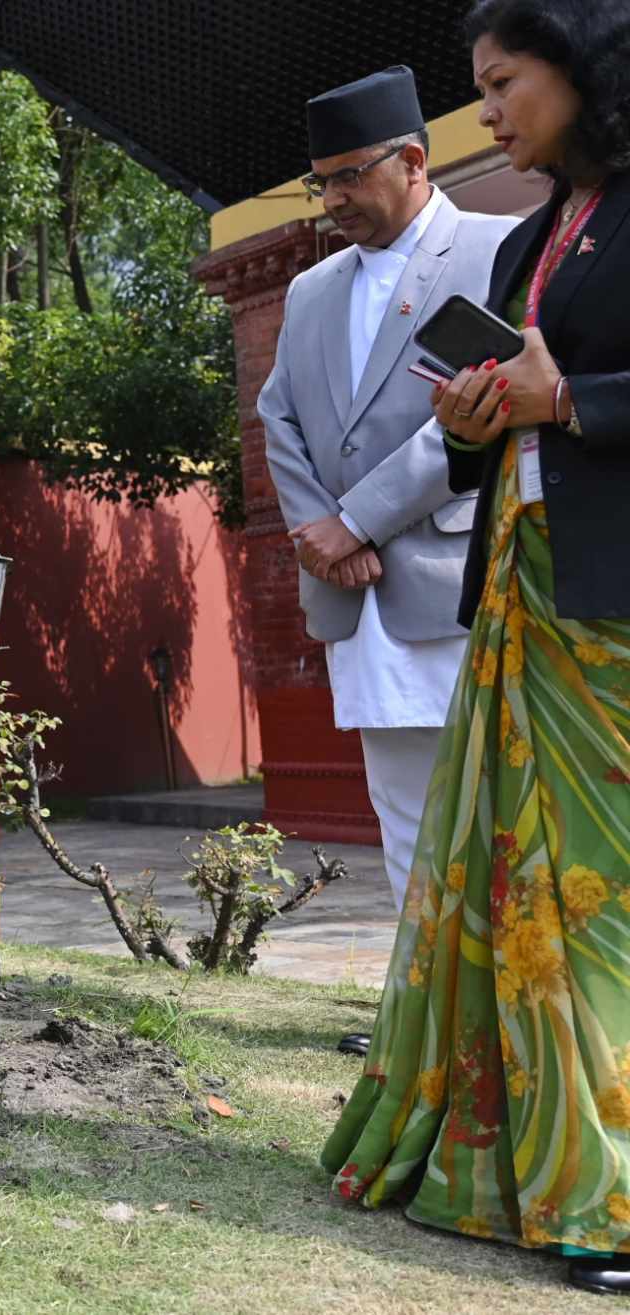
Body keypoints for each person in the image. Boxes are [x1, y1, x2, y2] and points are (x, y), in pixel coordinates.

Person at [322, 0, 630, 1295]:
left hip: (613, 616)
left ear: (583, 69)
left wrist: (575, 400)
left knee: (599, 905)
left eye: (504, 84)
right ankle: (543, 1171)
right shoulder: (530, 242)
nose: (488, 114)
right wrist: (472, 417)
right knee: (523, 894)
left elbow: (569, 401)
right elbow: (486, 436)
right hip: (522, 593)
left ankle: (612, 1197)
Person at [257, 67, 518, 1057]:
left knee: (492, 809)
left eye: (349, 176)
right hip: (352, 599)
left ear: (413, 160)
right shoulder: (309, 289)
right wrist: (316, 530)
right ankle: (424, 1025)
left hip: (456, 583)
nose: (331, 199)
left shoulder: (496, 249)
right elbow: (278, 416)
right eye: (318, 180)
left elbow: (485, 410)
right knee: (403, 815)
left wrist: (357, 520)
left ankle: (512, 1018)